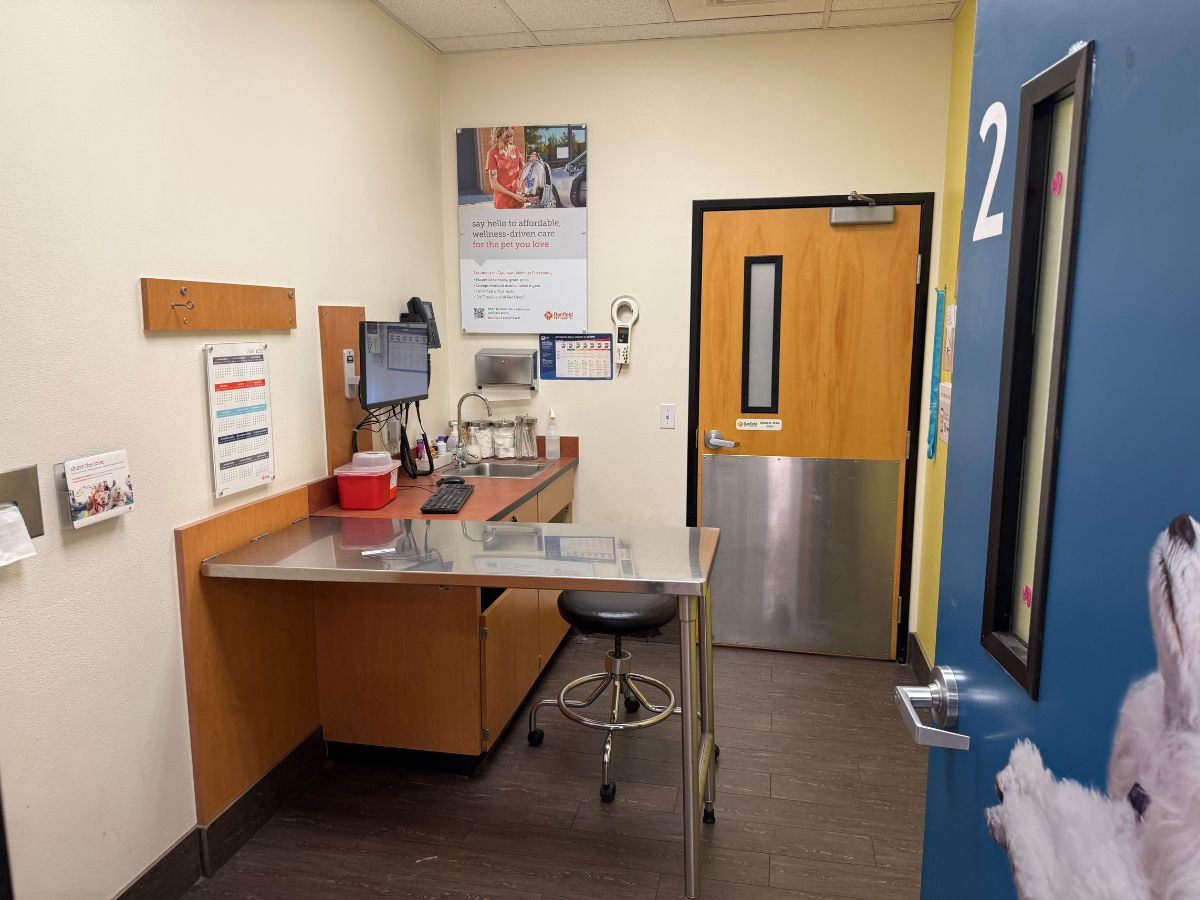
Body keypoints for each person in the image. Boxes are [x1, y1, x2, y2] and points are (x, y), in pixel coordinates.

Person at [486, 126, 526, 209]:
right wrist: (513, 196)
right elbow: (494, 184)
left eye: (512, 136)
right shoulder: (492, 154)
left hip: (518, 200)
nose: (510, 139)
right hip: (503, 204)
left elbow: (524, 168)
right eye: (507, 136)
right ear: (498, 136)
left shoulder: (515, 149)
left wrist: (522, 189)